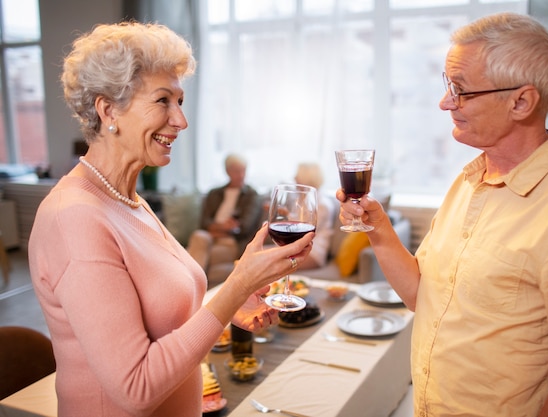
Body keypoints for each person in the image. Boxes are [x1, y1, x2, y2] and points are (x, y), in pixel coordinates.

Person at [336, 12, 548, 416]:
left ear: (522, 101)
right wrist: (377, 226)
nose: (445, 103)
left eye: (461, 90)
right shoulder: (469, 181)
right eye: (447, 86)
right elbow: (425, 296)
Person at [28, 22, 313, 417]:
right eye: (163, 101)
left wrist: (229, 304)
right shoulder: (74, 219)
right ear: (108, 109)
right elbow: (136, 388)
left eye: (180, 101)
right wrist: (237, 285)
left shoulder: (128, 200)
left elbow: (164, 322)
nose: (181, 121)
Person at [186, 154, 261, 274]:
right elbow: (203, 223)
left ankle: (190, 288)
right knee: (198, 236)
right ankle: (192, 287)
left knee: (194, 255)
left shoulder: (251, 195)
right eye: (237, 171)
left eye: (243, 171)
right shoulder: (214, 193)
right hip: (209, 236)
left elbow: (244, 227)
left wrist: (216, 229)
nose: (241, 175)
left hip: (232, 241)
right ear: (227, 171)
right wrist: (223, 227)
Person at [293, 162, 334, 270]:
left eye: (298, 175)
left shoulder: (322, 204)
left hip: (314, 252)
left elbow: (305, 232)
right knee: (262, 253)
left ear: (307, 178)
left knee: (266, 259)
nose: (294, 178)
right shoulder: (303, 199)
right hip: (297, 247)